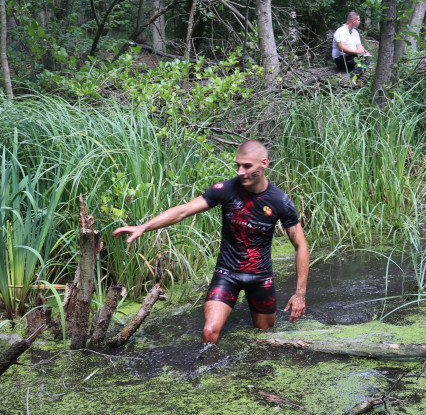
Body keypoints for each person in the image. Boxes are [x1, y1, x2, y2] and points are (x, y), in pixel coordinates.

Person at [112, 140, 309, 344]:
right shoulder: (226, 189)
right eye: (238, 165)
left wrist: (300, 294)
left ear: (264, 163)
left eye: (248, 166)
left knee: (264, 338)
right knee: (209, 332)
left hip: (260, 277)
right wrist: (143, 227)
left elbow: (300, 245)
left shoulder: (280, 201)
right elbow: (183, 211)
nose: (241, 172)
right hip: (227, 274)